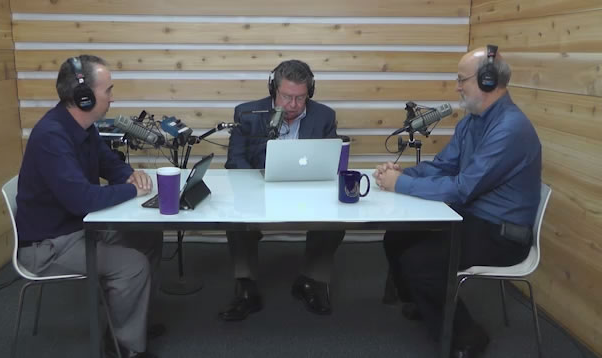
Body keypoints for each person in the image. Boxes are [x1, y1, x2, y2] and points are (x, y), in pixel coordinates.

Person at [374, 46, 542, 358]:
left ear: (488, 81)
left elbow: (462, 189)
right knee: (397, 235)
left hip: (503, 233)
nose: (456, 86)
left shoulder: (509, 129)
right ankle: (426, 305)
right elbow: (444, 166)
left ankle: (467, 335)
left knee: (420, 264)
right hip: (474, 217)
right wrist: (403, 173)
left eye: (461, 79)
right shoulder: (472, 121)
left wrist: (402, 184)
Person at [15, 55, 163, 358]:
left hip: (76, 227)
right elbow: (81, 199)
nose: (112, 97)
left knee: (149, 235)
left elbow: (109, 163)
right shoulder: (51, 136)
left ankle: (128, 321)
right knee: (133, 267)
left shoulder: (83, 127)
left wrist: (128, 175)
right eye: (108, 90)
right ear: (84, 97)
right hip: (48, 244)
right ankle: (122, 348)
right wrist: (129, 190)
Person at [219, 59, 346, 321]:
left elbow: (330, 161)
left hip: (308, 191)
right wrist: (255, 187)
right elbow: (235, 160)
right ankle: (246, 286)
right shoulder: (247, 114)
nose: (293, 105)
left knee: (337, 218)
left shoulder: (324, 116)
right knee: (236, 216)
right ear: (272, 90)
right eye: (287, 97)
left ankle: (312, 281)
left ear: (309, 93)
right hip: (259, 188)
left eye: (300, 98)